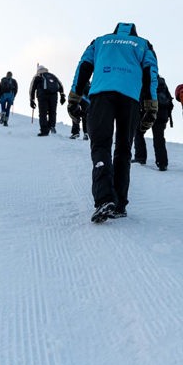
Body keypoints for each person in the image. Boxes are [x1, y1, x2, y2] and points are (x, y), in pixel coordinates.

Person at [68, 22, 158, 223]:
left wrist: (74, 95)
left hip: (101, 94)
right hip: (130, 98)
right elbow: (150, 72)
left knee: (101, 145)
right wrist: (151, 104)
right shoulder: (143, 44)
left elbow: (83, 66)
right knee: (124, 150)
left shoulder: (100, 41)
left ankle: (104, 199)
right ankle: (119, 204)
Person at [134, 75, 174, 170]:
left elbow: (142, 96)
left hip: (149, 112)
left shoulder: (144, 79)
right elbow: (169, 99)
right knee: (159, 137)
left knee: (139, 132)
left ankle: (140, 157)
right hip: (163, 113)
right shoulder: (162, 82)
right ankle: (162, 163)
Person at [29, 65, 66, 136]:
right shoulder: (52, 76)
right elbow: (60, 85)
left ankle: (44, 130)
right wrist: (62, 95)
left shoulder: (37, 76)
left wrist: (32, 100)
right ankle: (52, 126)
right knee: (52, 111)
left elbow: (32, 89)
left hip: (42, 96)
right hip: (54, 96)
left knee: (43, 113)